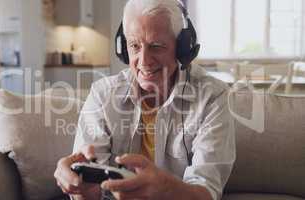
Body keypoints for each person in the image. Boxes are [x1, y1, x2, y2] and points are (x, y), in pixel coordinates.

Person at [54, 0, 235, 199]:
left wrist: (165, 188)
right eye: (134, 46)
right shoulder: (102, 94)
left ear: (182, 48)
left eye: (156, 46)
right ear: (123, 48)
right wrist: (81, 189)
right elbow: (91, 186)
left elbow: (206, 191)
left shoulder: (212, 96)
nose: (144, 61)